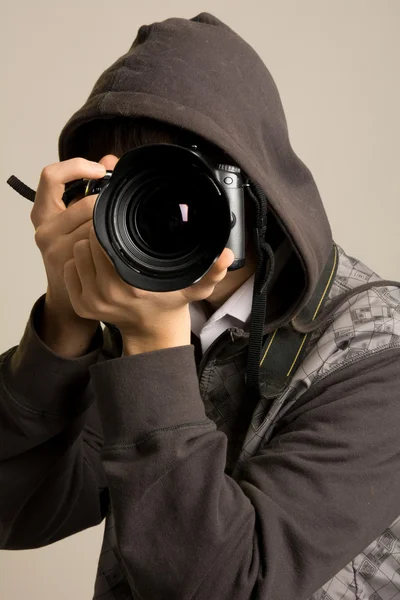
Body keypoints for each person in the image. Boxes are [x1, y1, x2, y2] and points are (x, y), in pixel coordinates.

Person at [1, 12, 400, 600]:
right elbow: (19, 512)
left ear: (260, 191)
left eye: (190, 186)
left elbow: (228, 586)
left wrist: (150, 344)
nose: (163, 215)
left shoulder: (378, 351)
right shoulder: (135, 316)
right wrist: (63, 328)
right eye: (129, 189)